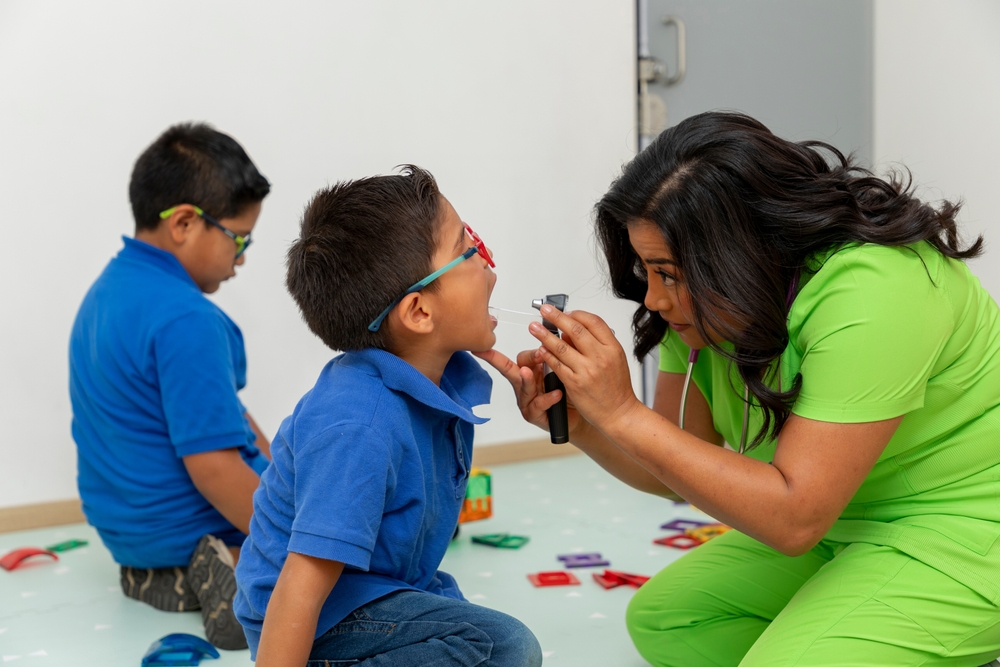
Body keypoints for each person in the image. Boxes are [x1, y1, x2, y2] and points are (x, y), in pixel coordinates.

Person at [479, 112, 1000, 667]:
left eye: (669, 273)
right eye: (647, 271)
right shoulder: (706, 308)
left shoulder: (878, 290)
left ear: (739, 255)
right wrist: (590, 424)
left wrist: (625, 412)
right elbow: (676, 468)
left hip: (963, 528)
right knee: (670, 619)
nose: (653, 299)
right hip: (845, 521)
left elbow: (796, 518)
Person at [233, 166, 542, 667]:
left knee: (479, 635)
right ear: (419, 312)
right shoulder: (360, 423)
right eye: (470, 251)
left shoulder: (439, 377)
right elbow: (301, 584)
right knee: (502, 647)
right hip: (319, 621)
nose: (491, 267)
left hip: (380, 591)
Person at [69, 123, 272, 650]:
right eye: (239, 237)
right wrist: (293, 535)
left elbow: (226, 413)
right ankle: (234, 567)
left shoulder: (105, 294)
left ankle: (167, 575)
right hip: (193, 522)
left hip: (130, 534)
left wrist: (281, 473)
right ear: (184, 222)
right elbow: (213, 466)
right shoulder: (187, 319)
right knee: (341, 561)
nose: (243, 257)